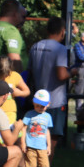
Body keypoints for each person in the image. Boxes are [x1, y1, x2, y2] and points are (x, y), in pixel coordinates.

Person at [28, 17, 71, 150]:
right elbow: (61, 75)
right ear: (63, 32)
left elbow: (29, 72)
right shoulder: (61, 49)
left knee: (35, 136)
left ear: (47, 30)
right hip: (55, 101)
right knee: (51, 139)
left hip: (37, 98)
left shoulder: (35, 46)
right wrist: (74, 71)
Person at [22, 89, 54, 167]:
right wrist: (23, 143)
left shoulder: (48, 117)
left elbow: (47, 132)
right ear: (33, 103)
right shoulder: (29, 114)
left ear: (48, 105)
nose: (40, 108)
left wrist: (49, 145)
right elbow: (24, 129)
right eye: (37, 105)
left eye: (42, 106)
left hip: (42, 147)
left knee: (45, 166)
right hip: (31, 146)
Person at [0, 0, 28, 72]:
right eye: (21, 15)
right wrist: (18, 80)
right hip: (9, 78)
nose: (23, 19)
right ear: (15, 14)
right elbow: (14, 60)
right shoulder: (10, 31)